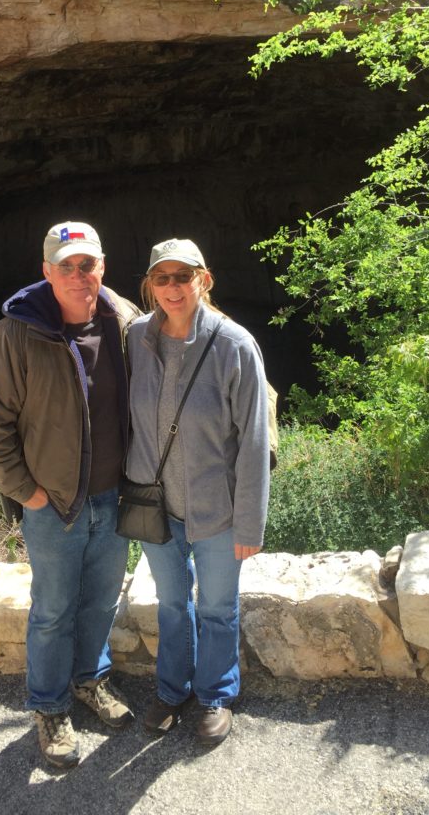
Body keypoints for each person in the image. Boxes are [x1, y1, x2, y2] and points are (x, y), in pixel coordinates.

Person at [0, 220, 140, 769]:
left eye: (87, 264)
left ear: (102, 267)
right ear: (46, 271)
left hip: (113, 498)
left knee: (100, 600)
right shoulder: (17, 334)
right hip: (53, 506)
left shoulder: (123, 322)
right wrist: (28, 493)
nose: (77, 275)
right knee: (52, 611)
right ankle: (49, 708)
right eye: (65, 265)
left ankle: (90, 680)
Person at [126, 237, 270, 745]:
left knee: (216, 607)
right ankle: (172, 690)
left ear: (202, 280)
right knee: (170, 603)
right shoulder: (137, 340)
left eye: (181, 277)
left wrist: (250, 522)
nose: (171, 287)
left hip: (218, 510)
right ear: (150, 285)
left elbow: (254, 441)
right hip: (157, 508)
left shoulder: (234, 345)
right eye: (161, 278)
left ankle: (214, 695)